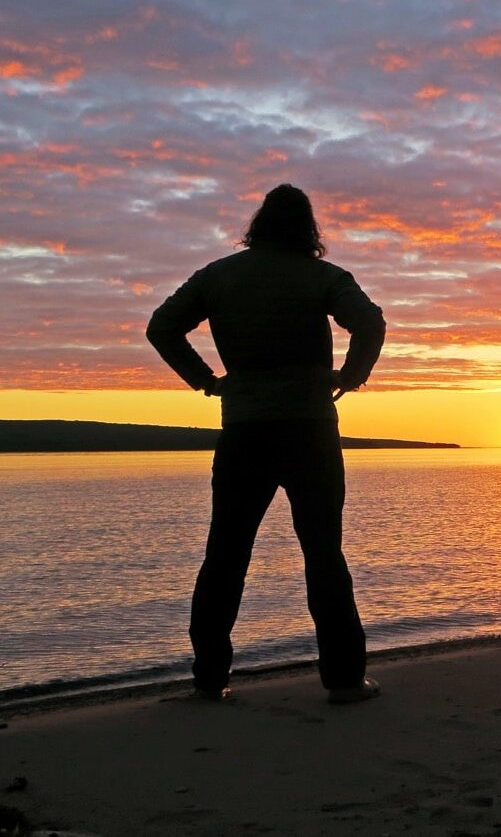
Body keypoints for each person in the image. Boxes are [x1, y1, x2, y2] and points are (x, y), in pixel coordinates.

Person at [146, 184, 386, 704]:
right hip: (311, 430)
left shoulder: (218, 276)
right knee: (323, 554)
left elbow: (161, 326)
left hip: (245, 430)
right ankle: (344, 681)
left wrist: (207, 380)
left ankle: (210, 681)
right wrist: (352, 373)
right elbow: (369, 320)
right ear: (308, 230)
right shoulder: (323, 276)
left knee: (225, 555)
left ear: (257, 225)